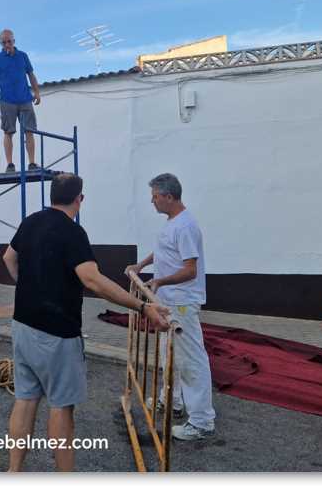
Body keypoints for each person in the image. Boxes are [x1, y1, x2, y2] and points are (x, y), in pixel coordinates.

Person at [2, 173, 170, 471]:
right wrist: (143, 307)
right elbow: (93, 280)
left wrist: (31, 288)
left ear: (52, 195)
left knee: (26, 399)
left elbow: (8, 258)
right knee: (61, 407)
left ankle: (14, 472)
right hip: (57, 334)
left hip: (23, 325)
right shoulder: (73, 232)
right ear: (79, 199)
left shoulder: (31, 221)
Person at [125, 172, 216, 441]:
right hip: (168, 300)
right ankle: (172, 400)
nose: (152, 201)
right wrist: (141, 266)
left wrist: (160, 280)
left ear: (169, 196)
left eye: (155, 196)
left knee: (190, 361)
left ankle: (201, 421)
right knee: (169, 355)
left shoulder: (185, 226)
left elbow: (190, 269)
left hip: (182, 302)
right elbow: (164, 251)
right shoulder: (172, 223)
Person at [0, 29, 41, 173]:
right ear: (1, 43)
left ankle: (32, 163)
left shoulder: (23, 56)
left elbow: (31, 75)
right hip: (7, 101)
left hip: (25, 99)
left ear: (14, 41)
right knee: (8, 132)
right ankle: (10, 164)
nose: (7, 44)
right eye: (3, 42)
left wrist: (36, 92)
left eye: (9, 41)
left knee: (29, 130)